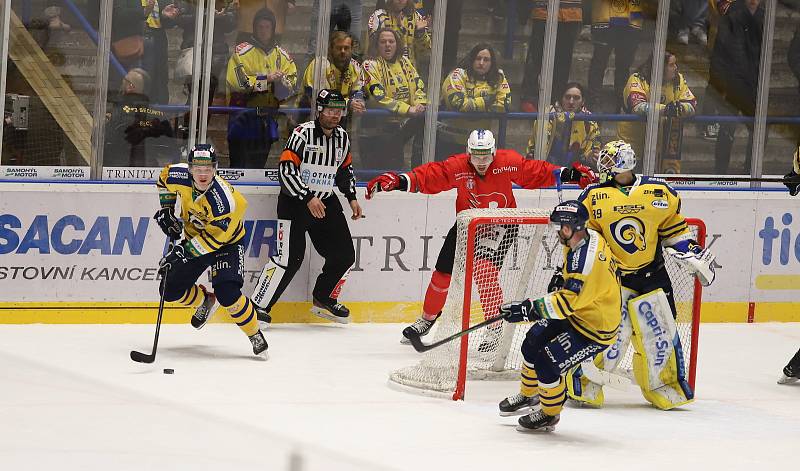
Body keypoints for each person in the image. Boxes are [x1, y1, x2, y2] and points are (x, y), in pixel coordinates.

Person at [365, 129, 597, 346]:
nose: (482, 162)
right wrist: (398, 181)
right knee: (442, 273)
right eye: (476, 156)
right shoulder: (457, 165)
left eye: (486, 156)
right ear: (468, 153)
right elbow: (432, 176)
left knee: (484, 270)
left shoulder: (507, 162)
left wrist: (571, 174)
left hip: (501, 223)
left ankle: (495, 328)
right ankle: (427, 319)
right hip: (468, 223)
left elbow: (535, 171)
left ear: (494, 152)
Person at [566, 140, 716, 411]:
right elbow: (586, 239)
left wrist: (690, 250)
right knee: (610, 336)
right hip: (614, 279)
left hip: (652, 276)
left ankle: (665, 387)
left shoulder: (658, 191)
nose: (604, 166)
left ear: (625, 162)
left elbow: (674, 230)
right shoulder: (592, 195)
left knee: (659, 336)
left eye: (610, 161)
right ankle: (585, 384)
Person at [497, 200, 622, 433]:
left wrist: (527, 309)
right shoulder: (584, 236)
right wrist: (560, 275)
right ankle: (529, 394)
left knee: (547, 363)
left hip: (594, 328)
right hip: (582, 311)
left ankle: (549, 414)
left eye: (558, 228)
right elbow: (571, 282)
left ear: (568, 228)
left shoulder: (586, 264)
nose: (556, 232)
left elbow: (566, 303)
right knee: (532, 342)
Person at [250, 90, 363, 325]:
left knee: (344, 255)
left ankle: (323, 299)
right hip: (295, 203)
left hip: (325, 201)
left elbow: (344, 171)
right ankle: (258, 306)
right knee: (289, 258)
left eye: (339, 111)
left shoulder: (342, 137)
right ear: (320, 110)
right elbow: (286, 171)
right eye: (330, 110)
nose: (335, 115)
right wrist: (307, 197)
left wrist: (351, 196)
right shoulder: (302, 134)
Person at [154, 144, 268, 358]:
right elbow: (162, 181)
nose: (203, 174)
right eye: (198, 168)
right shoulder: (176, 175)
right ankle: (204, 301)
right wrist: (167, 210)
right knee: (169, 290)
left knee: (228, 294)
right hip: (194, 239)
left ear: (215, 169)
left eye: (208, 169)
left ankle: (254, 333)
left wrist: (181, 254)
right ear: (189, 168)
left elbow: (213, 241)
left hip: (227, 244)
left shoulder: (225, 202)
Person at [226, 7, 297, 168]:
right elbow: (239, 84)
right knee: (238, 165)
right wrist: (266, 79)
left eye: (267, 27)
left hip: (267, 119)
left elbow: (292, 85)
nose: (264, 31)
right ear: (254, 28)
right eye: (260, 27)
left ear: (273, 30)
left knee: (258, 166)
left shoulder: (283, 56)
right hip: (242, 118)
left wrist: (281, 82)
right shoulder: (241, 53)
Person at [618, 52, 697, 173]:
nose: (675, 68)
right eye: (671, 65)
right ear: (660, 67)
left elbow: (691, 104)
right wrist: (665, 109)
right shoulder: (637, 79)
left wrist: (679, 108)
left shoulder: (678, 79)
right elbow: (637, 106)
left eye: (675, 64)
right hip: (632, 142)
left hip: (660, 144)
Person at [708, 0, 763, 174]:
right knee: (727, 128)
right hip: (732, 83)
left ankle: (750, 169)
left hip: (752, 84)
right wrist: (719, 84)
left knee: (760, 129)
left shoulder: (763, 16)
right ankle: (720, 170)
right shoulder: (732, 15)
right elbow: (720, 52)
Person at [362, 27, 427, 169]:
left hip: (400, 127)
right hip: (376, 130)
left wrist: (419, 104)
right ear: (376, 45)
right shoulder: (369, 65)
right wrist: (408, 109)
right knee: (380, 170)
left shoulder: (404, 62)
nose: (387, 45)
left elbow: (418, 86)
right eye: (383, 42)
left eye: (391, 41)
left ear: (397, 44)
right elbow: (378, 97)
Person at [437, 43, 511, 160]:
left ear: (492, 63)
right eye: (478, 58)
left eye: (486, 60)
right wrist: (487, 101)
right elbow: (459, 104)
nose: (481, 63)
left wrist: (473, 104)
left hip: (480, 145)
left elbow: (504, 105)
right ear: (471, 59)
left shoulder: (498, 77)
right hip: (450, 141)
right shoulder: (457, 75)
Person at [104, 68, 178, 167]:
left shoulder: (118, 112)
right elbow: (170, 148)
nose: (121, 84)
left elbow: (99, 142)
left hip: (118, 170)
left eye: (124, 81)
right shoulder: (159, 115)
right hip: (150, 171)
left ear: (130, 87)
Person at [518, 1, 583, 113]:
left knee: (563, 62)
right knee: (536, 57)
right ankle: (529, 98)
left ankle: (556, 100)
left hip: (571, 12)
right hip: (544, 11)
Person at [586, 0, 644, 112]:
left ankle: (622, 99)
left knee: (624, 63)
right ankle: (594, 100)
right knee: (599, 62)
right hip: (604, 17)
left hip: (632, 16)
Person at [526, 81, 600, 168]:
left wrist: (590, 157)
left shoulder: (590, 121)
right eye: (568, 97)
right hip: (546, 167)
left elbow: (593, 151)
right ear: (561, 99)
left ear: (583, 101)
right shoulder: (547, 115)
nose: (571, 102)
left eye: (576, 98)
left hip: (577, 170)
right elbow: (536, 148)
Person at [300, 31, 366, 127]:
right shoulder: (319, 65)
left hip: (342, 120)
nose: (343, 51)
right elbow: (319, 98)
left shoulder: (356, 67)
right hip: (312, 119)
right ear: (330, 49)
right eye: (339, 48)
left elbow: (358, 92)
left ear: (352, 49)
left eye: (346, 48)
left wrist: (358, 103)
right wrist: (348, 104)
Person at [368, 0, 431, 70]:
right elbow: (373, 48)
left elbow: (426, 51)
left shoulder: (416, 17)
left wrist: (420, 33)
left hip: (409, 71)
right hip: (384, 70)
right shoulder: (378, 16)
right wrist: (399, 29)